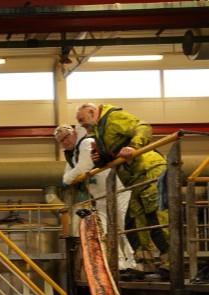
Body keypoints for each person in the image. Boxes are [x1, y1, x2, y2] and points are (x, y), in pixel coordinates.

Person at [76, 103, 169, 278]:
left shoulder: (112, 118)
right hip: (133, 177)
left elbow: (143, 127)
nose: (81, 124)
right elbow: (114, 153)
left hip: (148, 169)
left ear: (92, 112)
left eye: (82, 120)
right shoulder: (98, 131)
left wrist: (133, 146)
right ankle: (145, 264)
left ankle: (170, 264)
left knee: (156, 216)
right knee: (134, 220)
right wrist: (100, 159)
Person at [54, 124, 141, 279]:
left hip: (118, 192)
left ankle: (133, 264)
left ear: (74, 133)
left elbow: (84, 167)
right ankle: (121, 265)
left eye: (66, 137)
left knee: (122, 227)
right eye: (61, 141)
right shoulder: (72, 156)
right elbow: (65, 177)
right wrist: (71, 176)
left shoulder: (86, 143)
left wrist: (72, 176)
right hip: (100, 197)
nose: (65, 142)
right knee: (107, 231)